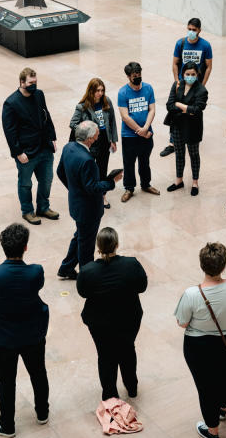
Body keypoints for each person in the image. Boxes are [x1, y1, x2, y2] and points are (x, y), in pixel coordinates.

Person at [175, 242, 226, 438]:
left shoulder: (191, 294)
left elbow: (182, 323)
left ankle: (213, 432)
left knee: (206, 387)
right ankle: (223, 410)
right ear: (223, 266)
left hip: (199, 347)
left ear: (202, 265)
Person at [0, 223, 50, 437]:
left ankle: (7, 426)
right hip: (32, 334)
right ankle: (42, 413)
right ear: (25, 247)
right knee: (38, 373)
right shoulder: (35, 272)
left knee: (6, 380)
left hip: (2, 338)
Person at [76, 227, 147, 400]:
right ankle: (131, 387)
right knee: (128, 350)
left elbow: (83, 293)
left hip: (99, 323)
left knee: (105, 355)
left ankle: (109, 393)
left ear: (98, 247)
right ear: (117, 244)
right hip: (129, 319)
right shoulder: (132, 264)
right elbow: (142, 287)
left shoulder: (88, 270)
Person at [56, 121, 123, 279]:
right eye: (97, 134)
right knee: (86, 244)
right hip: (88, 210)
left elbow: (60, 172)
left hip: (76, 204)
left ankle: (66, 268)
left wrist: (74, 190)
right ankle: (87, 277)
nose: (99, 136)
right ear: (91, 138)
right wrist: (112, 182)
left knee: (80, 235)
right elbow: (92, 187)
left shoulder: (68, 147)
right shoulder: (87, 160)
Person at [2, 67, 59, 225]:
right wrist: (18, 152)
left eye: (35, 82)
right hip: (27, 151)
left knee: (47, 179)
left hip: (44, 147)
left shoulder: (39, 94)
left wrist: (52, 137)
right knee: (26, 183)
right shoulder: (11, 103)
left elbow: (46, 114)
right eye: (30, 82)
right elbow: (10, 131)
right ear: (21, 82)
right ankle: (27, 211)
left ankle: (43, 207)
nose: (34, 85)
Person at [162, 17, 214, 157]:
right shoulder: (181, 43)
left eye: (194, 30)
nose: (191, 32)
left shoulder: (205, 45)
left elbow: (209, 66)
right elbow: (175, 63)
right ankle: (172, 142)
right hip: (182, 83)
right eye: (189, 29)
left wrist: (202, 85)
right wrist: (177, 81)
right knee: (175, 109)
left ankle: (190, 138)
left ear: (199, 31)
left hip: (196, 85)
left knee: (191, 111)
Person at [69, 78, 118, 209]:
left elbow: (112, 122)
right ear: (91, 91)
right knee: (89, 171)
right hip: (90, 143)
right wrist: (85, 129)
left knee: (102, 169)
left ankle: (102, 196)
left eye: (102, 90)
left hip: (104, 141)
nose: (100, 93)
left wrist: (113, 140)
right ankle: (88, 194)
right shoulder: (82, 106)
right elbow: (72, 124)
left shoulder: (107, 102)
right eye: (97, 90)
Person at [164, 61, 209, 196]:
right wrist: (186, 110)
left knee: (194, 155)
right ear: (183, 74)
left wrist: (180, 105)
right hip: (177, 126)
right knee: (179, 153)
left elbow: (197, 109)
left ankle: (195, 182)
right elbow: (169, 105)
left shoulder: (201, 90)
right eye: (187, 74)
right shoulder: (177, 85)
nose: (190, 76)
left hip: (193, 127)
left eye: (193, 74)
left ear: (197, 75)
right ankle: (179, 180)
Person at [117, 61, 159, 202]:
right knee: (129, 163)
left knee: (144, 161)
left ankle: (146, 184)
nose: (138, 77)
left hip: (146, 133)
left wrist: (146, 127)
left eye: (139, 74)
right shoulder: (123, 92)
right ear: (128, 76)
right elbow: (125, 116)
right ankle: (129, 188)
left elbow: (152, 109)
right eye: (135, 75)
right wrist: (139, 130)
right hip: (129, 135)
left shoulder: (148, 88)